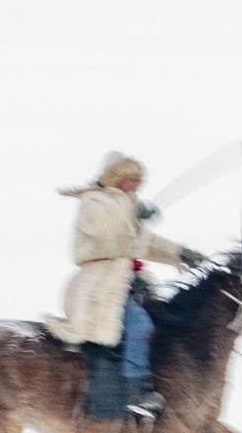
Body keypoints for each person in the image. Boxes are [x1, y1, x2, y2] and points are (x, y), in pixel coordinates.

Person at [43, 153, 205, 418]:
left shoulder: (130, 205)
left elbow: (145, 243)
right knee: (140, 326)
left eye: (139, 179)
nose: (136, 184)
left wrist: (180, 253)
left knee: (163, 322)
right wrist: (137, 221)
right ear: (115, 178)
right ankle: (135, 391)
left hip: (128, 280)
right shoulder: (94, 201)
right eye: (131, 178)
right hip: (100, 283)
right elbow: (109, 237)